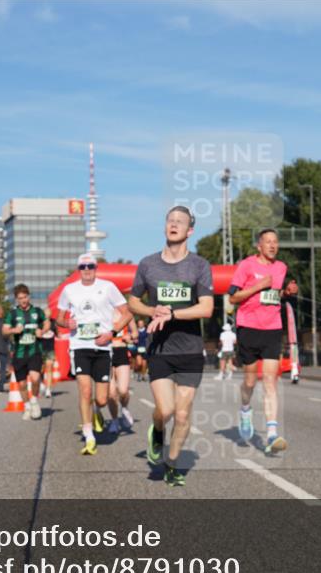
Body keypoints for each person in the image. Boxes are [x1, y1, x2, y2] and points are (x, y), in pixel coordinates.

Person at [127, 206, 214, 487]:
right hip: (160, 349)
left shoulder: (199, 265)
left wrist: (173, 314)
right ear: (165, 227)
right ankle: (157, 431)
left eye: (180, 222)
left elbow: (207, 308)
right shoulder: (148, 264)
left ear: (190, 230)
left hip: (189, 349)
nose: (174, 224)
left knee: (183, 412)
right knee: (165, 411)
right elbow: (133, 301)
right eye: (170, 220)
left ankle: (173, 465)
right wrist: (152, 310)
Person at [57, 254, 131, 456]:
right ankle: (88, 433)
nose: (87, 269)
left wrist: (112, 332)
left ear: (96, 268)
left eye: (90, 266)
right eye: (82, 266)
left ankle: (97, 412)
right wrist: (66, 323)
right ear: (78, 268)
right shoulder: (69, 290)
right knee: (85, 390)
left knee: (102, 399)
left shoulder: (107, 287)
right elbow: (59, 319)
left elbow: (127, 312)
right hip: (79, 346)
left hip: (103, 348)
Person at [229, 228, 288, 455]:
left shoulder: (281, 267)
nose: (273, 246)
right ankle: (245, 409)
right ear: (259, 246)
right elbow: (233, 297)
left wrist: (287, 292)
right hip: (249, 328)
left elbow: (276, 294)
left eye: (275, 242)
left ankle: (271, 434)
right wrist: (257, 286)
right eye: (268, 242)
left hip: (273, 328)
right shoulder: (246, 266)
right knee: (251, 383)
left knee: (270, 381)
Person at [3, 285, 50, 420]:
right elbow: (4, 330)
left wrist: (43, 331)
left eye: (25, 297)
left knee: (35, 378)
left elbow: (46, 323)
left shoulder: (37, 311)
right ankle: (27, 406)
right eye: (20, 298)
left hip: (35, 351)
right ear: (16, 299)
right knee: (22, 384)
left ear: (29, 297)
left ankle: (34, 401)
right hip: (19, 353)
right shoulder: (12, 314)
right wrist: (13, 330)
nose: (23, 300)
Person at [107, 315, 138, 434]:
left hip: (121, 352)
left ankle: (124, 408)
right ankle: (114, 421)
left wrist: (130, 336)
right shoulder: (102, 308)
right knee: (111, 394)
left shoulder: (126, 313)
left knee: (123, 390)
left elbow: (135, 333)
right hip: (105, 353)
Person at [40, 314, 56, 398]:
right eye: (45, 315)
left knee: (49, 368)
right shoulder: (39, 324)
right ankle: (42, 383)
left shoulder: (53, 324)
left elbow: (57, 334)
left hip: (50, 350)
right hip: (40, 349)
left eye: (48, 315)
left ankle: (48, 390)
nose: (47, 316)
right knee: (40, 369)